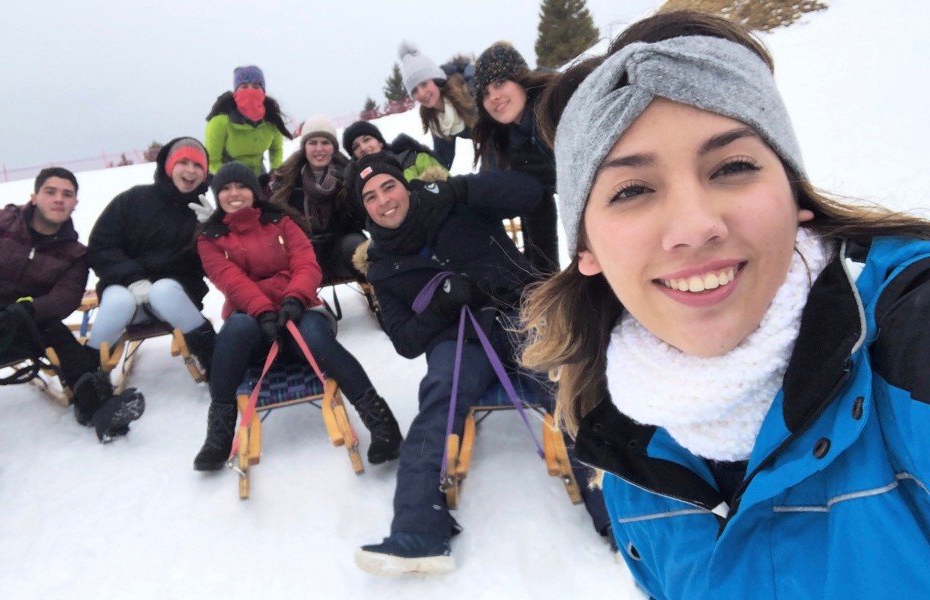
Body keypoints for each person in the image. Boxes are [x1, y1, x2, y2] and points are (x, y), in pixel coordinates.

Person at [519, 10, 930, 599]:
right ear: (587, 250)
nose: (694, 226)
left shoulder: (910, 342)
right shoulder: (630, 456)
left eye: (733, 167)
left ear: (794, 194)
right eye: (632, 190)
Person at [351, 154, 610, 576]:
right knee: (438, 400)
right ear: (365, 209)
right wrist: (439, 305)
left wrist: (459, 188)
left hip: (518, 315)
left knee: (565, 386)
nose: (384, 201)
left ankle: (615, 507)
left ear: (404, 185)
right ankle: (418, 530)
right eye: (370, 197)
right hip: (458, 339)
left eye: (388, 186)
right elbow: (405, 342)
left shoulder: (454, 202)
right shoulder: (381, 265)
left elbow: (531, 193)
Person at [192, 162, 401, 470]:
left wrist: (294, 300)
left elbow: (306, 264)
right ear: (217, 195)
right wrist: (264, 311)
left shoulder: (282, 222)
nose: (234, 193)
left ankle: (381, 423)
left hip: (300, 310)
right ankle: (218, 435)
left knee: (313, 332)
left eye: (241, 186)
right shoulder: (210, 239)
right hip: (254, 325)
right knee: (235, 329)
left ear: (254, 191)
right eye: (225, 188)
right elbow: (232, 282)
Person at [0, 168, 144, 442]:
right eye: (50, 192)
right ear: (34, 197)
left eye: (67, 194)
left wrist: (25, 310)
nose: (58, 199)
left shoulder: (74, 254)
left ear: (75, 203)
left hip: (16, 325)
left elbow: (65, 298)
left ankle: (99, 407)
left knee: (56, 333)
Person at [86, 137, 216, 380]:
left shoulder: (201, 211)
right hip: (126, 290)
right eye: (183, 162)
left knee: (163, 291)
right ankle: (89, 375)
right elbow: (100, 247)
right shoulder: (133, 200)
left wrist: (214, 232)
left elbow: (213, 268)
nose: (190, 170)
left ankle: (214, 358)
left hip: (176, 301)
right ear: (168, 166)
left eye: (198, 165)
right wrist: (133, 278)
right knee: (118, 301)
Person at [471, 42, 560, 273]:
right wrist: (542, 273)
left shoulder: (557, 106)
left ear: (521, 78)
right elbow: (536, 204)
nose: (494, 96)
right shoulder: (511, 139)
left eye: (499, 83)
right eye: (485, 93)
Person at [271, 116, 366, 281]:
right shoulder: (286, 179)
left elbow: (362, 218)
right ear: (304, 147)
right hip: (304, 251)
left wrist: (349, 190)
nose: (319, 149)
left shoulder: (348, 173)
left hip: (340, 248)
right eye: (312, 143)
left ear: (333, 147)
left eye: (325, 143)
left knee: (359, 247)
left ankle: (373, 290)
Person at [204, 65, 294, 184]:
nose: (250, 91)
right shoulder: (219, 122)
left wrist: (275, 169)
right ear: (236, 92)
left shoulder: (272, 120)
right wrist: (231, 180)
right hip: (228, 179)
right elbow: (212, 160)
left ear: (263, 92)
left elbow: (276, 149)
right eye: (244, 86)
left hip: (260, 177)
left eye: (256, 86)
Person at [398, 41, 478, 171]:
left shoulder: (469, 91)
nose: (421, 93)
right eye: (415, 91)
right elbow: (443, 160)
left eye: (424, 84)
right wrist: (415, 160)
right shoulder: (435, 118)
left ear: (436, 80)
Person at [341, 120, 448, 183]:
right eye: (355, 147)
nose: (363, 148)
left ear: (380, 142)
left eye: (367, 140)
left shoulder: (413, 159)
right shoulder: (355, 180)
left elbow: (448, 187)